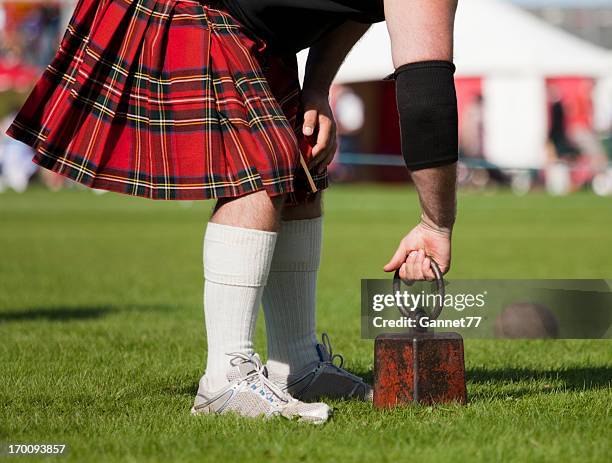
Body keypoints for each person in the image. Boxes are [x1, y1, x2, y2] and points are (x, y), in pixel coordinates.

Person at [5, 0, 459, 423]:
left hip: (256, 29)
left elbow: (356, 7)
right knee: (258, 170)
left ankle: (296, 365)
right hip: (197, 5)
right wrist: (435, 223)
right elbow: (426, 97)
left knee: (302, 164)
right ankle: (224, 381)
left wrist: (317, 88)